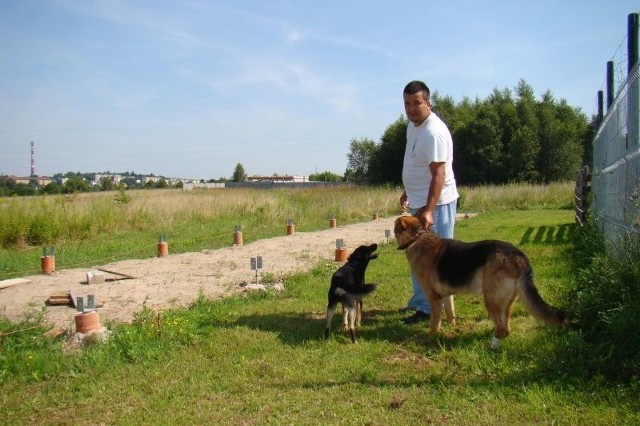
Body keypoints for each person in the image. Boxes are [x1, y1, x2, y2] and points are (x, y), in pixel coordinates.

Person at [399, 80, 459, 324]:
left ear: (428, 103)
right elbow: (415, 163)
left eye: (417, 103)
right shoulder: (413, 126)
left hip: (437, 205)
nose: (411, 108)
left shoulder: (433, 132)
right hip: (418, 201)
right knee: (415, 255)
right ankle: (421, 302)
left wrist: (430, 210)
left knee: (436, 259)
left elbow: (439, 175)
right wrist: (407, 191)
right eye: (407, 104)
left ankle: (430, 310)